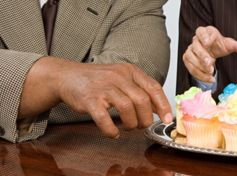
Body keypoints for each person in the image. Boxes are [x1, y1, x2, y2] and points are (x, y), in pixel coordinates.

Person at [0, 0, 173, 143]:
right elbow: (108, 86)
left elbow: (137, 74)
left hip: (78, 163)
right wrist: (58, 79)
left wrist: (22, 84)